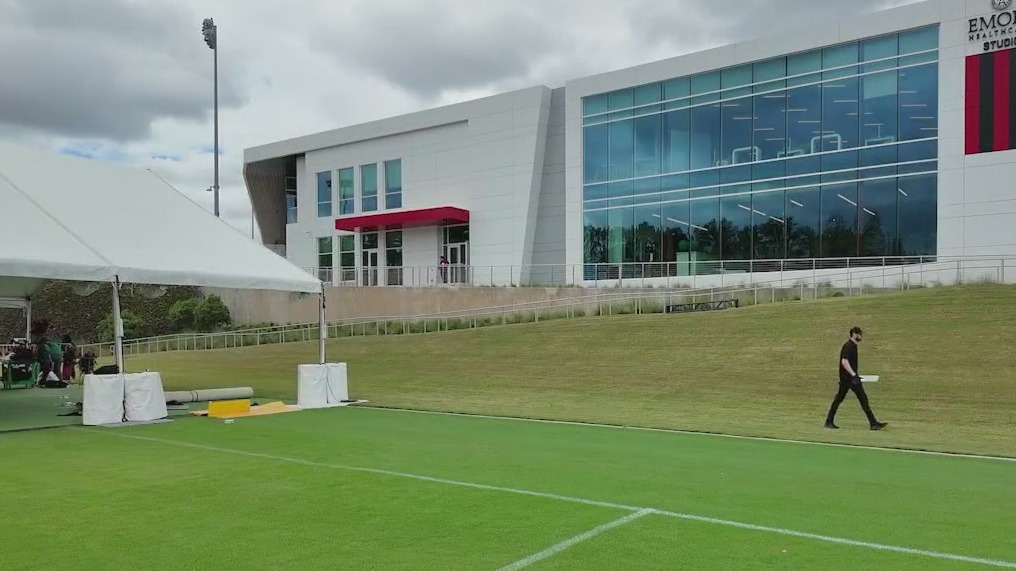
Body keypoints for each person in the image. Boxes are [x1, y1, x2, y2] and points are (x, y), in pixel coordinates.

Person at [825, 327, 888, 431]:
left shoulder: (852, 346)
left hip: (850, 379)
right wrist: (853, 374)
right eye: (860, 334)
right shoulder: (849, 346)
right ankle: (829, 421)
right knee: (850, 399)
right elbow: (844, 361)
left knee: (858, 399)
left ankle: (873, 423)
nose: (861, 336)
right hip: (849, 380)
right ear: (854, 334)